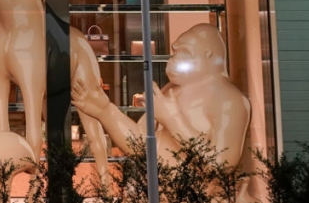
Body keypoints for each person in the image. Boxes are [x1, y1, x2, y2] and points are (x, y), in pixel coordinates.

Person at [72, 23, 251, 167]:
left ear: (208, 56)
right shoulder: (170, 90)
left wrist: (173, 119)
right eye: (175, 52)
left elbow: (221, 163)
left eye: (184, 52)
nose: (174, 59)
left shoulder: (228, 100)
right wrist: (106, 111)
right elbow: (140, 146)